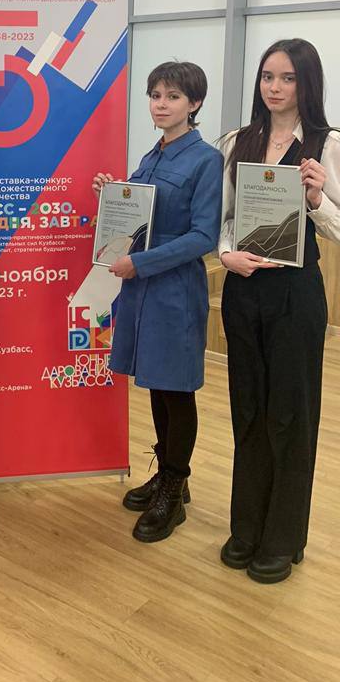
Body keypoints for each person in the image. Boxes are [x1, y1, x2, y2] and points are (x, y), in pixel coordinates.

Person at [218, 38, 340, 584]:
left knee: (290, 413)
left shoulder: (327, 145)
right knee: (248, 408)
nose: (275, 87)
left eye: (287, 78)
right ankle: (246, 527)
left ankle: (283, 538)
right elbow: (223, 217)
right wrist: (226, 254)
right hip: (244, 290)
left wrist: (317, 201)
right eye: (268, 76)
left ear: (307, 83)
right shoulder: (237, 142)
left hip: (295, 294)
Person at [93, 62, 223, 543]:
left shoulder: (206, 160)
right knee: (154, 384)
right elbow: (139, 218)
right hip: (141, 289)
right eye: (155, 95)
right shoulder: (151, 156)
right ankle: (168, 472)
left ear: (194, 103)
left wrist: (142, 263)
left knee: (177, 389)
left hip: (173, 291)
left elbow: (203, 236)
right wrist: (113, 196)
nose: (161, 104)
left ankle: (175, 486)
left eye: (172, 96)